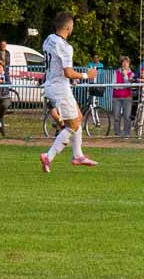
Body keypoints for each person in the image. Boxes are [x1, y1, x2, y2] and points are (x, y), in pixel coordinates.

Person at [39, 12, 99, 172]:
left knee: (78, 117)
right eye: (72, 25)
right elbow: (68, 72)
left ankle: (78, 155)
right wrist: (87, 75)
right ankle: (49, 156)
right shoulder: (65, 47)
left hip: (51, 85)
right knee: (72, 125)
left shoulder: (48, 39)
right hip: (60, 88)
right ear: (68, 27)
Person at [112, 56, 135, 137]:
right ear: (121, 63)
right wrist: (124, 86)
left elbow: (129, 85)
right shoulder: (116, 72)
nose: (125, 64)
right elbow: (114, 85)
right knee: (116, 116)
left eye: (127, 62)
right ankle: (117, 133)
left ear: (129, 64)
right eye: (123, 62)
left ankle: (127, 133)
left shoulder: (132, 74)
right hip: (116, 97)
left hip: (127, 97)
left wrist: (125, 75)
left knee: (127, 116)